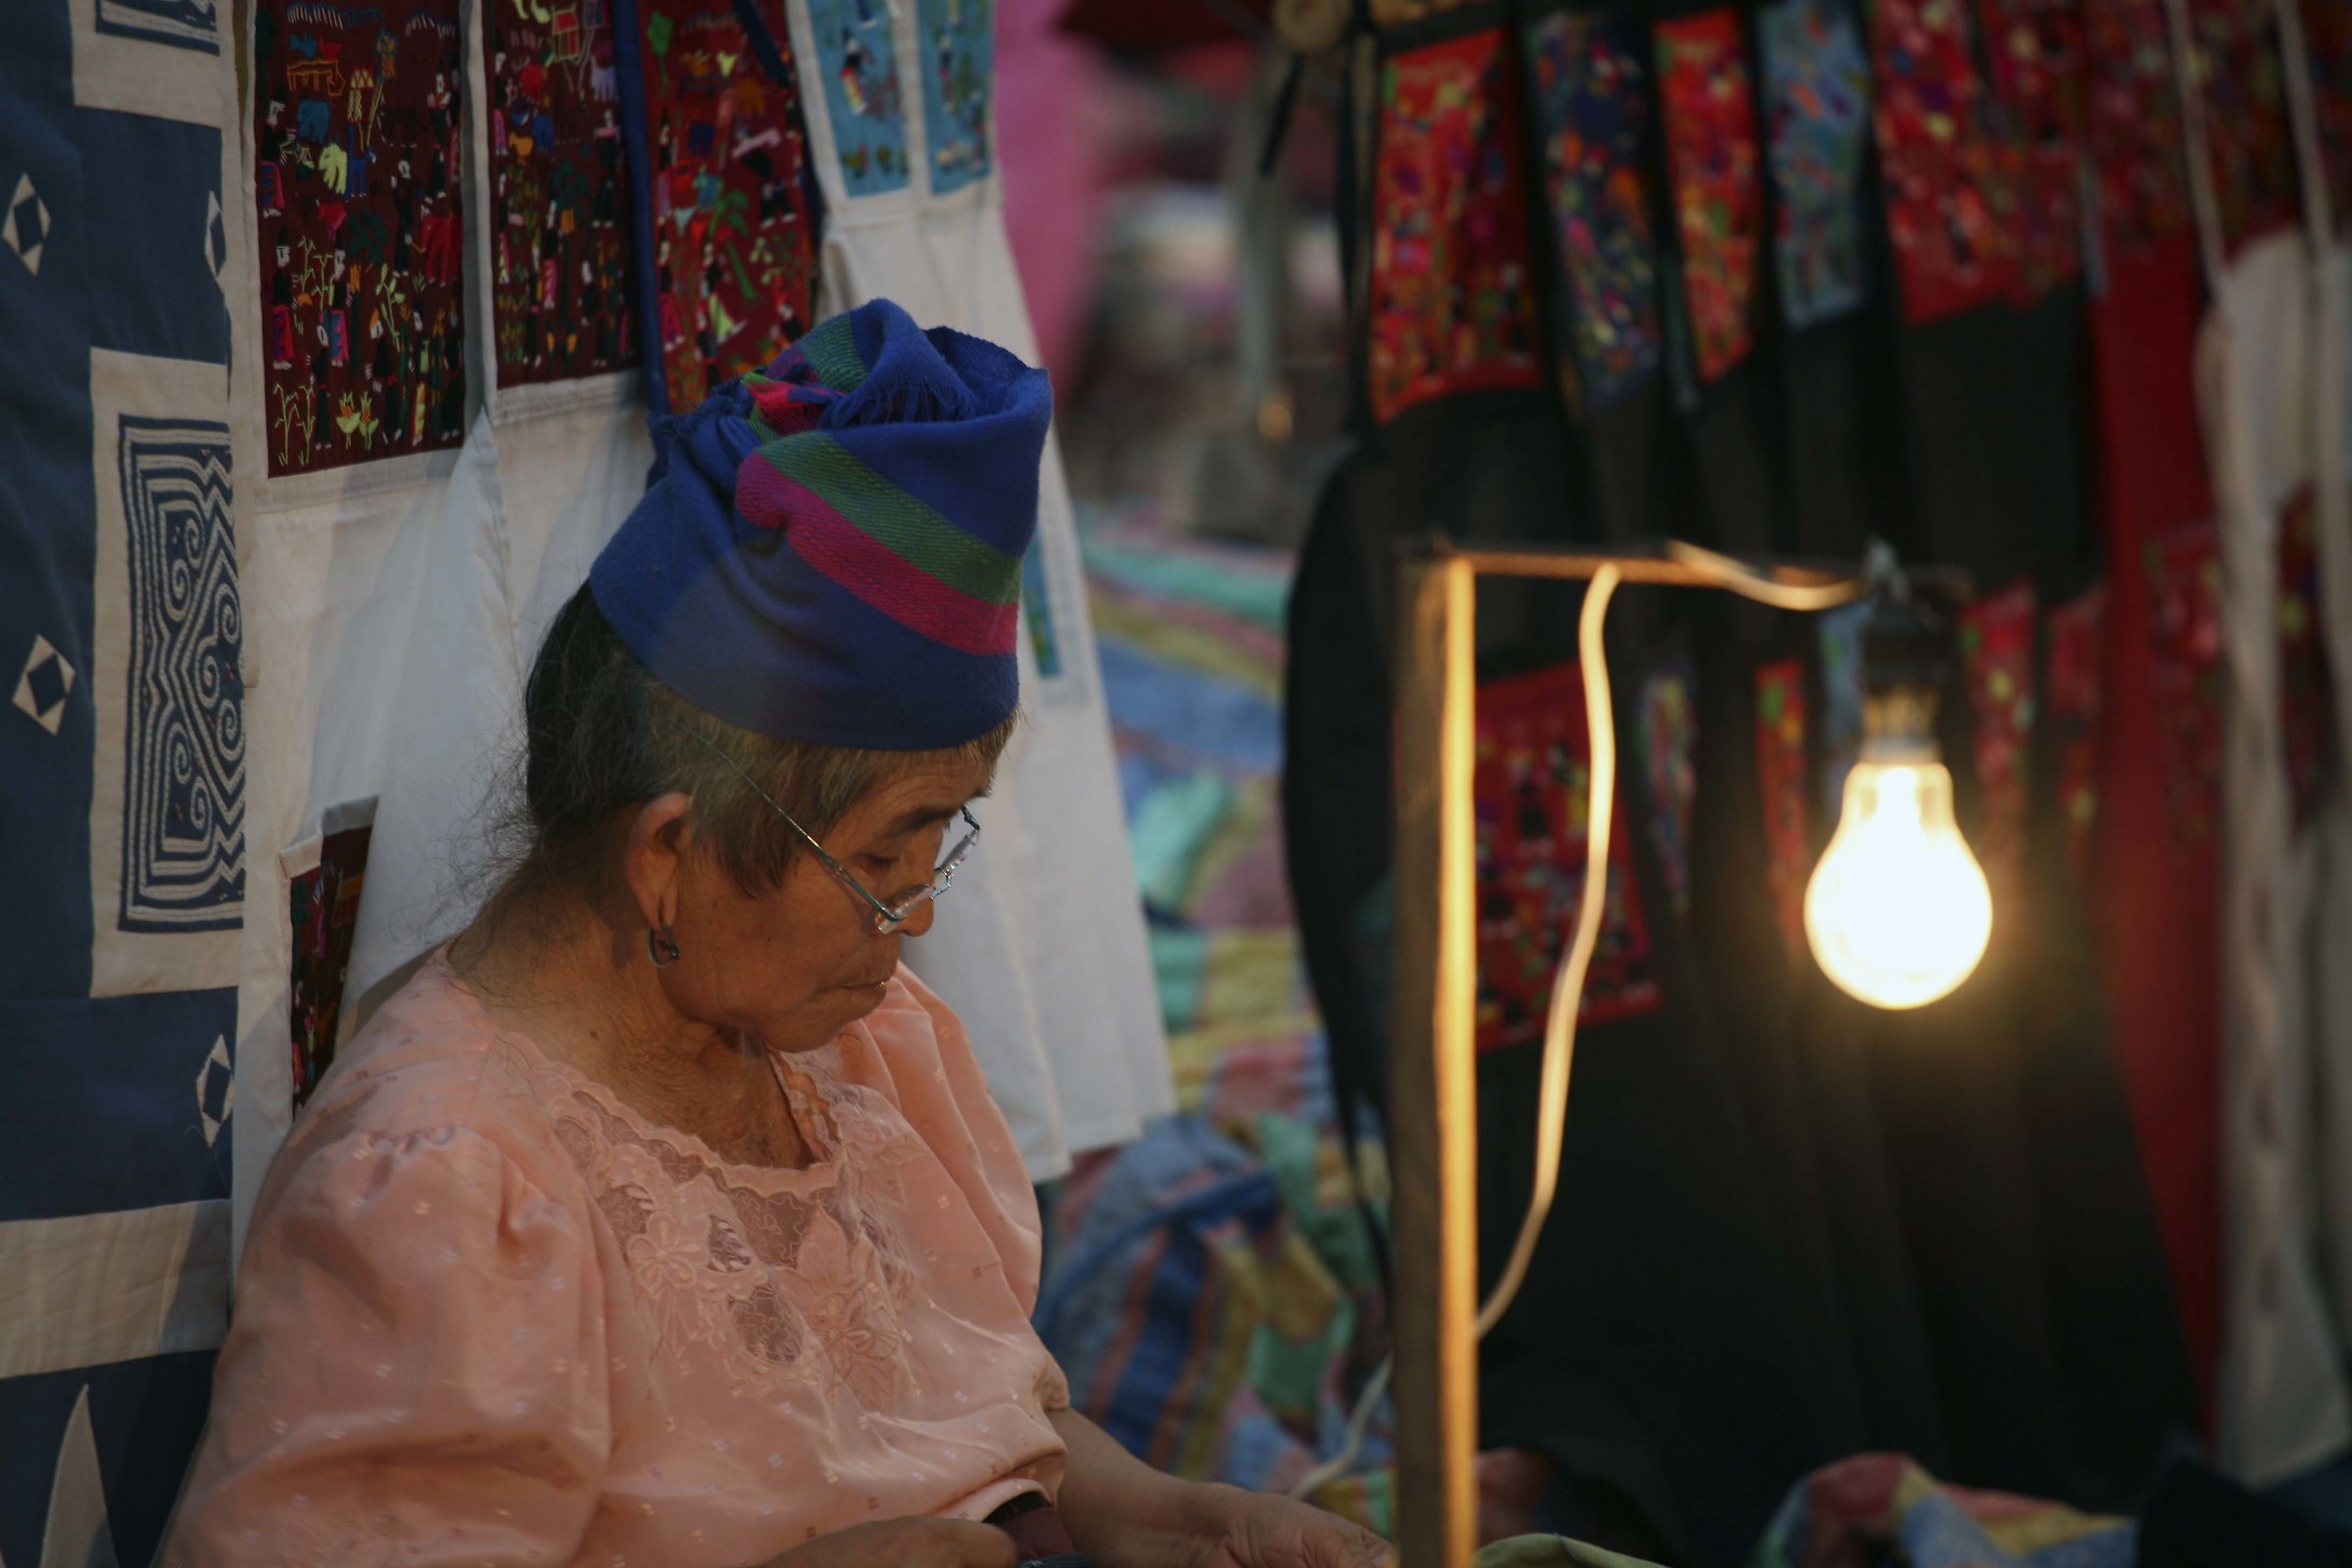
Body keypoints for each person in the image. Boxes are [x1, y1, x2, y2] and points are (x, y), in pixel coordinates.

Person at [167, 301, 1392, 1568]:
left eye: (939, 844)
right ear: (667, 856)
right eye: (879, 858)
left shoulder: (853, 1054)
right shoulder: (447, 1189)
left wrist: (1150, 1512)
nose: (914, 920)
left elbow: (974, 1414)